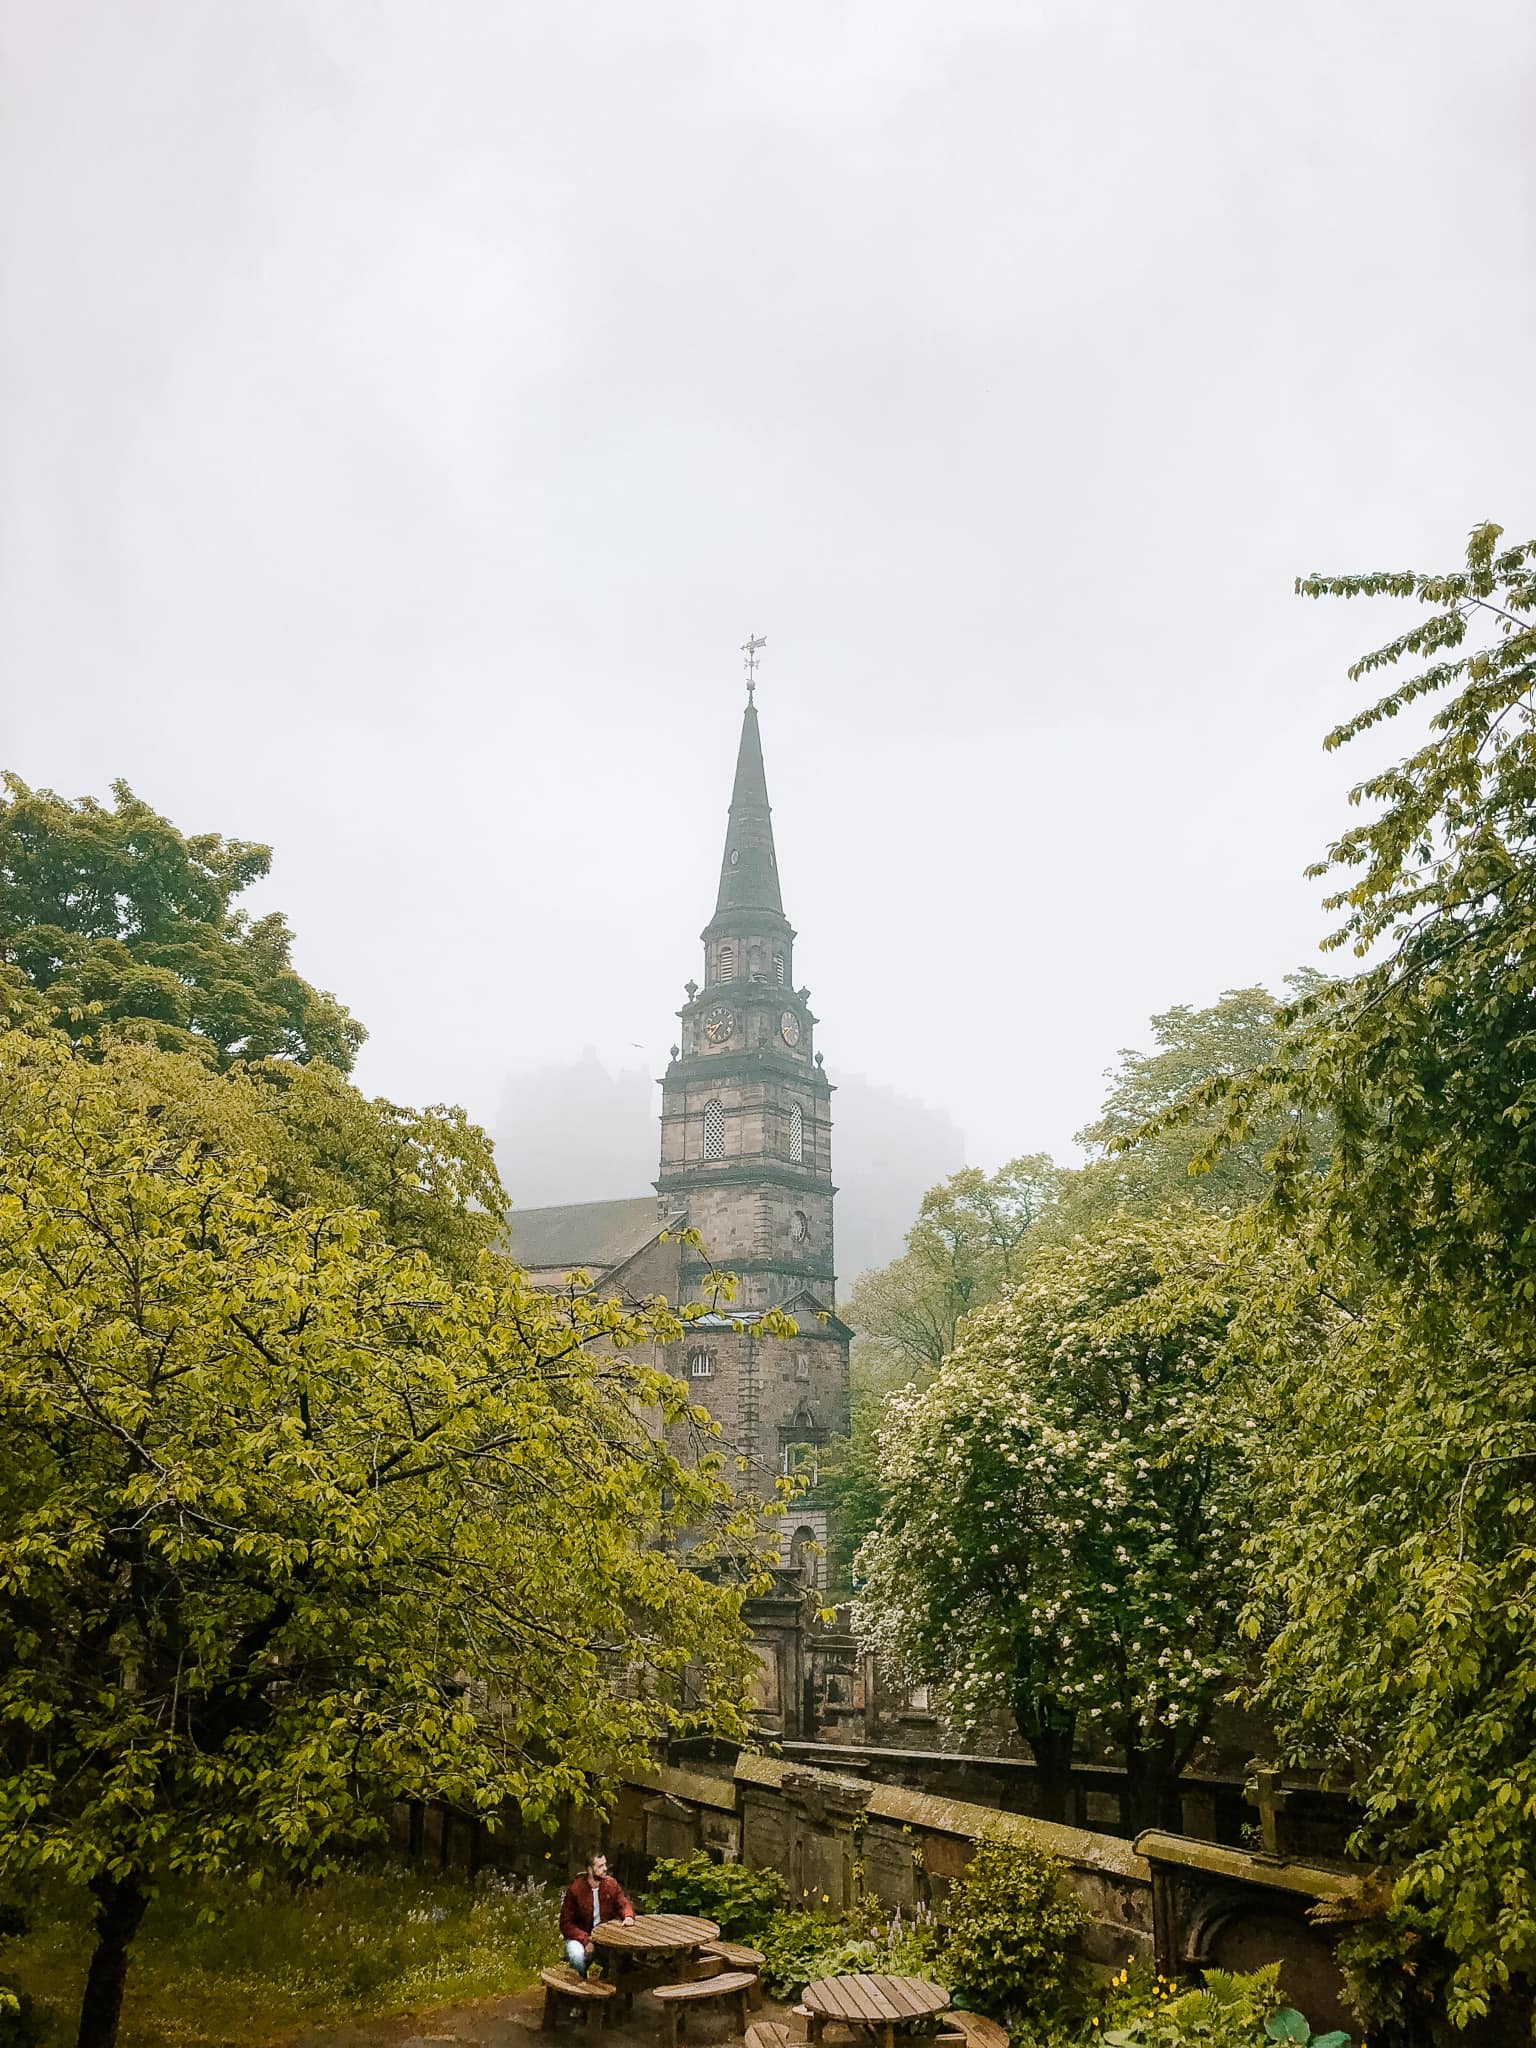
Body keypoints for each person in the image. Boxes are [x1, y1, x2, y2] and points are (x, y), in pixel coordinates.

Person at [559, 1851, 635, 1976]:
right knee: (576, 1955)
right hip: (581, 1938)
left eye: (605, 1865)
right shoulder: (575, 1890)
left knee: (623, 1956)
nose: (605, 1869)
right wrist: (585, 1940)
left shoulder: (611, 1884)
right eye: (600, 1866)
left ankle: (610, 1985)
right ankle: (579, 1987)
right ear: (590, 1870)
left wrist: (628, 1916)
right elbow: (565, 1923)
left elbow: (624, 1903)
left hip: (605, 1938)